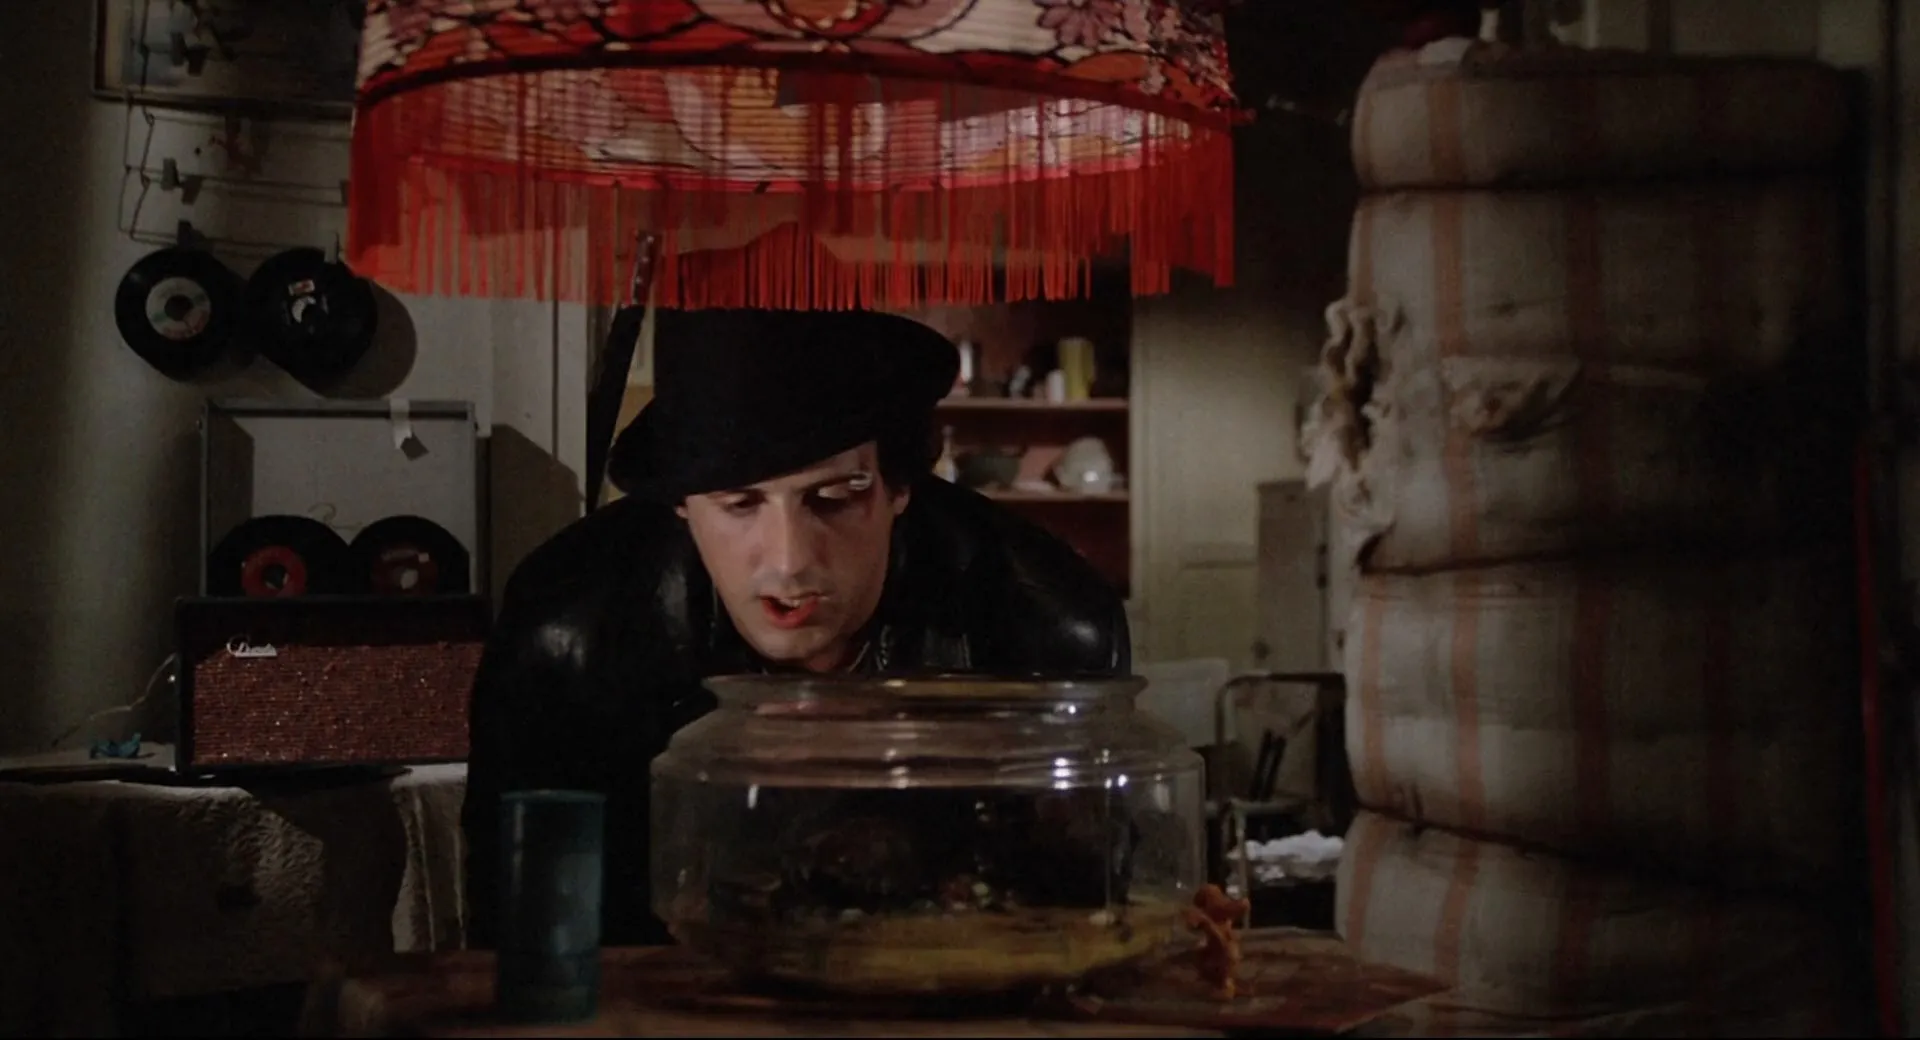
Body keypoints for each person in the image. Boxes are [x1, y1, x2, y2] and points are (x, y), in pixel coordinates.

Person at [463, 308, 1131, 947]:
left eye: (834, 497)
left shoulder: (1041, 627)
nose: (788, 561)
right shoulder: (572, 634)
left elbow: (1083, 917)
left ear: (900, 487)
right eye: (739, 503)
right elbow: (522, 935)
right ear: (682, 503)